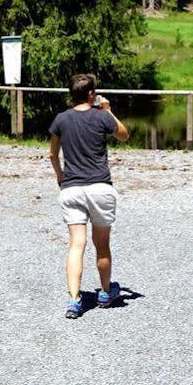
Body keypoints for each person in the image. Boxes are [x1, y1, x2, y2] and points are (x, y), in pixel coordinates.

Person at [48, 72, 130, 319]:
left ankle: (74, 300)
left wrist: (60, 175)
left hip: (72, 189)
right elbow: (124, 135)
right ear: (92, 94)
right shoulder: (102, 116)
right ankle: (106, 292)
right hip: (100, 188)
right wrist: (108, 110)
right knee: (101, 245)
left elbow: (52, 154)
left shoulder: (61, 120)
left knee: (76, 244)